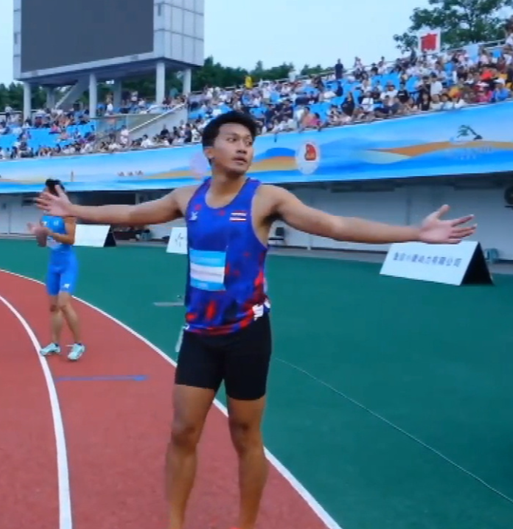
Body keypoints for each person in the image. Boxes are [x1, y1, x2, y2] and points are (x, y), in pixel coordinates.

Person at [35, 111, 476, 529]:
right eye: (232, 140)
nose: (243, 147)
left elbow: (334, 225)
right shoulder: (187, 197)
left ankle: (245, 524)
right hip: (199, 334)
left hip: (247, 334)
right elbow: (132, 214)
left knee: (245, 432)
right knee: (183, 430)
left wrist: (414, 233)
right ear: (210, 151)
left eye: (248, 141)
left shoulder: (267, 198)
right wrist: (75, 210)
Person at [28, 179, 85, 362]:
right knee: (53, 307)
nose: (42, 195)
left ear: (53, 194)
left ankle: (78, 344)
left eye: (45, 192)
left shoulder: (67, 215)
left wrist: (51, 233)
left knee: (64, 304)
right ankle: (55, 343)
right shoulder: (44, 216)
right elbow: (42, 244)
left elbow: (71, 239)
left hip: (68, 264)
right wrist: (38, 234)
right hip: (53, 266)